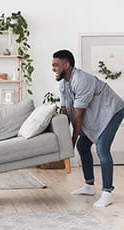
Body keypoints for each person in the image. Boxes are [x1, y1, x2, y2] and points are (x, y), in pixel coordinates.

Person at [52, 50, 124, 207]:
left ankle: (107, 192)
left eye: (56, 65)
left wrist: (71, 142)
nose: (53, 68)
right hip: (97, 114)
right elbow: (65, 111)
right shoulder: (63, 83)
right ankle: (89, 185)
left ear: (66, 65)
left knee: (102, 149)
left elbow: (78, 117)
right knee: (83, 146)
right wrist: (65, 140)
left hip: (112, 111)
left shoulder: (82, 80)